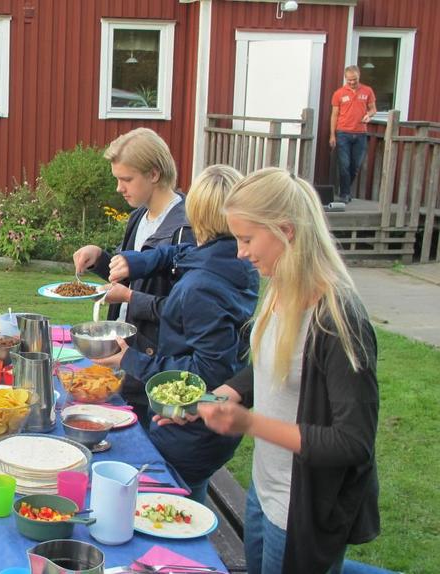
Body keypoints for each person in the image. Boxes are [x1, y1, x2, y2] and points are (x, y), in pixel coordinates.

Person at [200, 168, 379, 573]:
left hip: (302, 509)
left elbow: (353, 442)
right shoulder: (280, 287)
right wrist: (226, 393)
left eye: (247, 239)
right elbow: (270, 365)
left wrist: (248, 422)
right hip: (264, 495)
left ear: (286, 231)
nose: (241, 253)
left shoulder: (337, 318)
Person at [95, 165, 259, 501]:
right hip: (208, 432)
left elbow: (207, 373)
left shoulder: (201, 287)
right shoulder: (232, 258)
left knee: (173, 509)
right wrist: (134, 262)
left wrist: (133, 360)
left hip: (188, 429)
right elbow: (176, 254)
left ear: (196, 214)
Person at [72, 128, 194, 422]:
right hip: (127, 356)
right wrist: (100, 259)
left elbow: (184, 310)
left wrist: (130, 298)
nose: (119, 188)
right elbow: (129, 276)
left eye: (126, 179)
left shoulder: (185, 229)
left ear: (153, 174)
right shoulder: (139, 215)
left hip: (157, 364)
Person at [330, 65, 376, 203]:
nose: (351, 82)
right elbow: (334, 115)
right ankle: (345, 194)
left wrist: (369, 115)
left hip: (360, 133)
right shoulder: (339, 93)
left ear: (359, 76)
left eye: (354, 80)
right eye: (349, 80)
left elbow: (373, 109)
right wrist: (332, 135)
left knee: (355, 166)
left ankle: (345, 190)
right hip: (343, 132)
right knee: (344, 164)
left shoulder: (367, 91)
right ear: (345, 78)